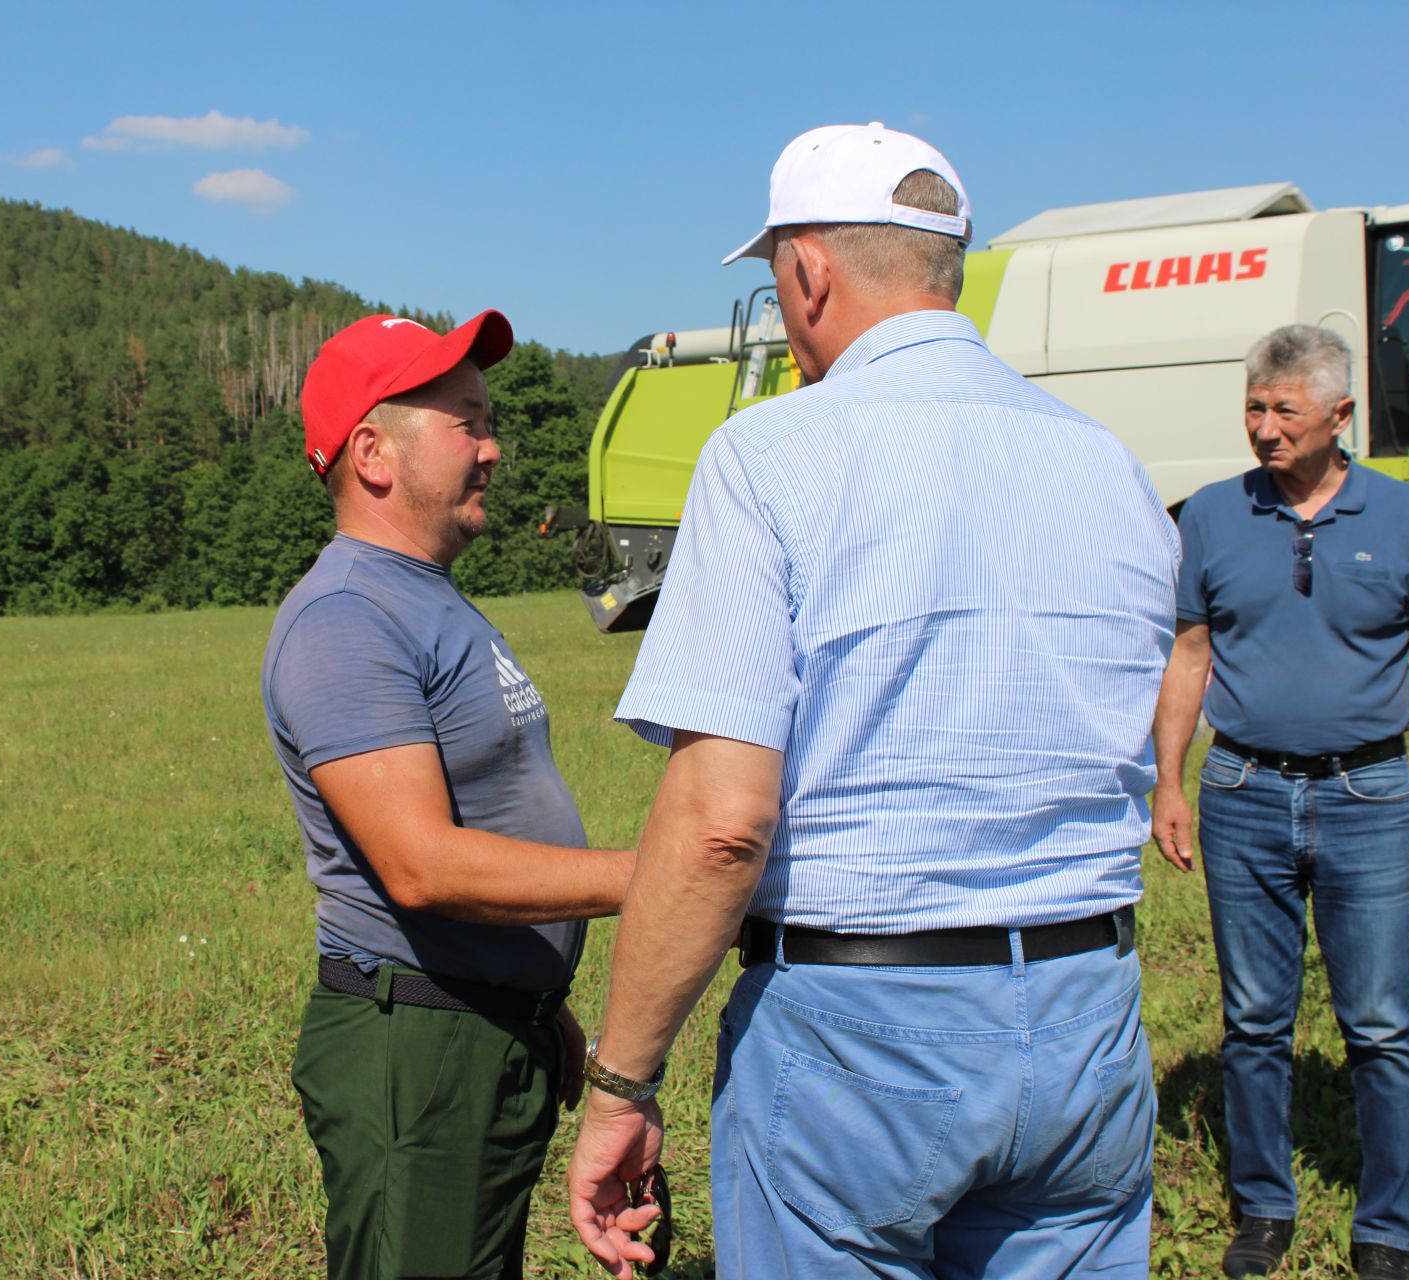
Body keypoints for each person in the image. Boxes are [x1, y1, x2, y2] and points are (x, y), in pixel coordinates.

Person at [564, 122, 1180, 1278]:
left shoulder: (768, 455)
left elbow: (721, 821)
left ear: (808, 273)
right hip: (1086, 1010)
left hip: (861, 1022)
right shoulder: (1110, 464)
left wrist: (622, 1081)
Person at [263, 310, 636, 1280]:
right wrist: (653, 876)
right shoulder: (349, 616)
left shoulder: (428, 596)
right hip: (416, 1054)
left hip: (475, 1023)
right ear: (375, 453)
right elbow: (421, 866)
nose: (494, 445)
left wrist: (534, 996)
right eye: (466, 420)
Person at [1149, 325, 1409, 1280]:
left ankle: (1391, 1224)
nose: (1264, 428)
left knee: (1381, 1024)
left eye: (1284, 410)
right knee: (1254, 1021)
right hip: (1240, 792)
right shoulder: (1210, 517)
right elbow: (1188, 653)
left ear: (1339, 415)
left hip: (1370, 795)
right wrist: (1170, 782)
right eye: (1253, 408)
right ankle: (1264, 1209)